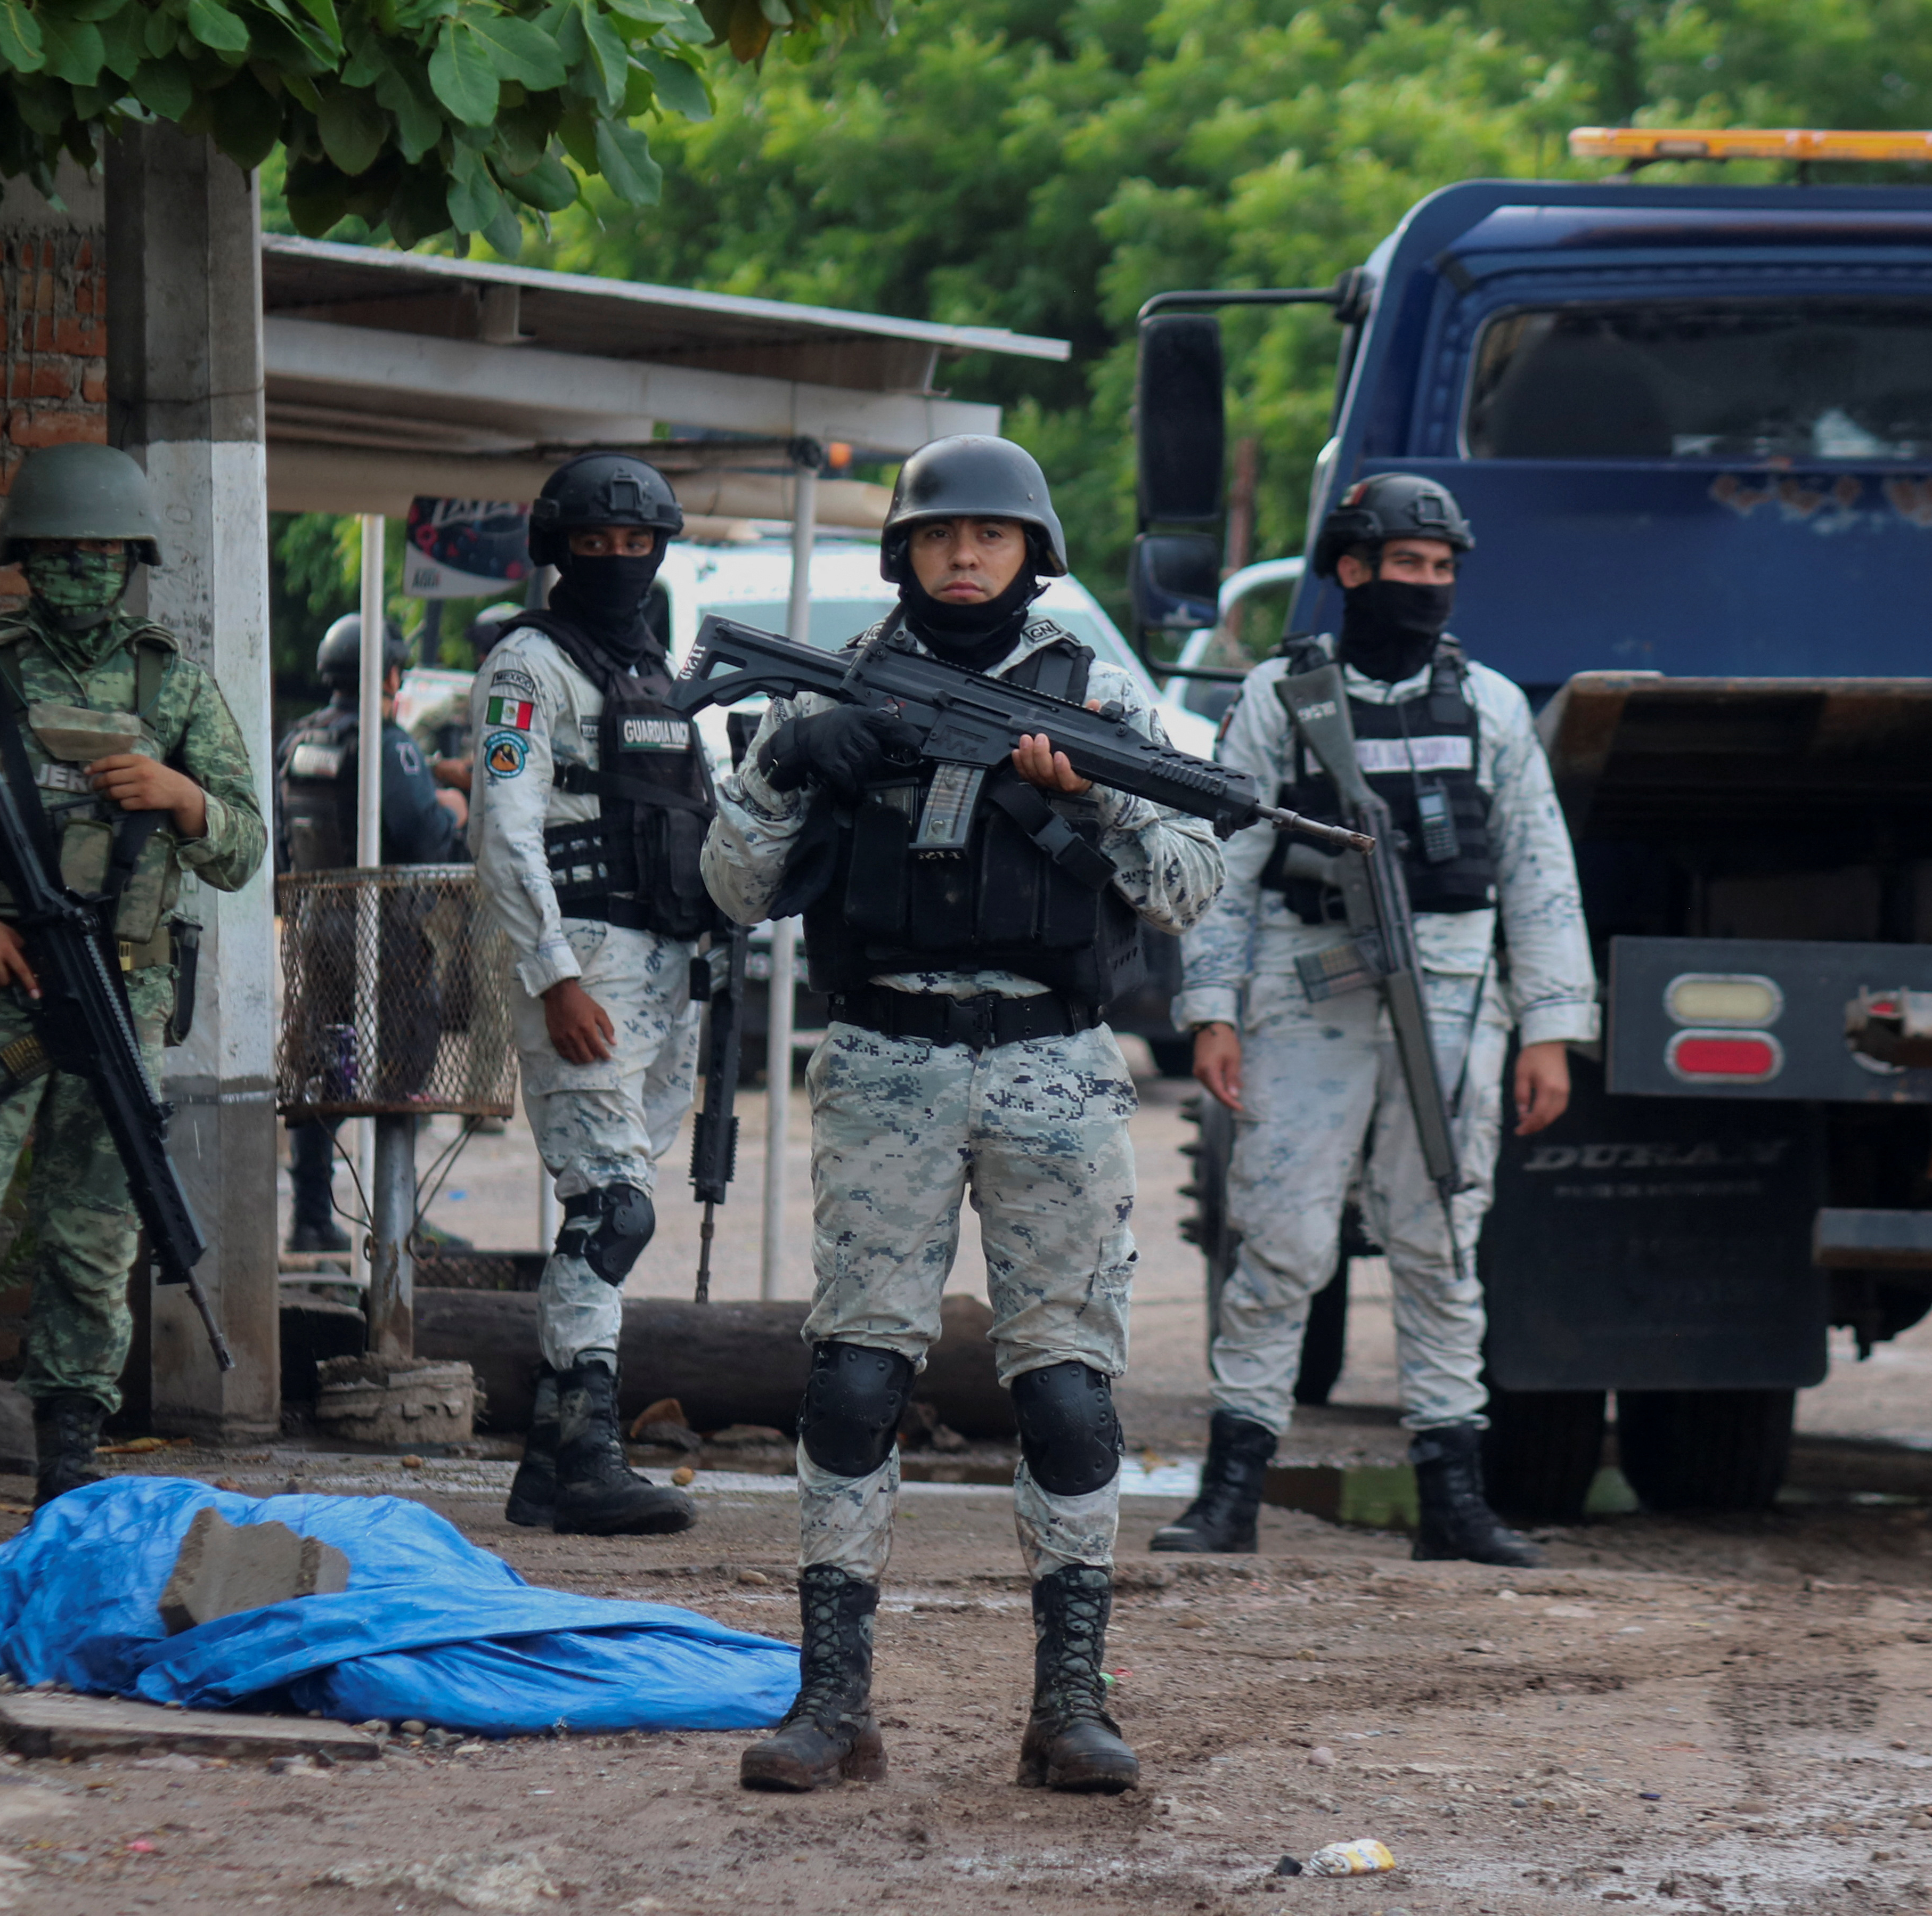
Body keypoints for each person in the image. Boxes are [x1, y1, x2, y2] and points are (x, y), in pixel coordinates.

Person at [701, 435, 1222, 1796]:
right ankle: (832, 1700)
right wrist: (791, 758)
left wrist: (1091, 788)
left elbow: (1186, 880)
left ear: (1031, 553)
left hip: (1052, 1063)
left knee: (1062, 1393)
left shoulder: (1095, 689)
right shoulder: (836, 685)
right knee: (854, 1378)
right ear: (905, 551)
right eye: (941, 536)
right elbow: (733, 886)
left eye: (991, 536)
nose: (966, 555)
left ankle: (1069, 1702)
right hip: (883, 1056)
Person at [1150, 473, 1595, 1568]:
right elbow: (1229, 859)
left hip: (1451, 993)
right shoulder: (1281, 699)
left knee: (1441, 1240)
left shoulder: (1487, 703)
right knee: (1280, 1238)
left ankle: (1453, 1496)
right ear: (1351, 571)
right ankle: (1231, 1489)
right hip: (1310, 992)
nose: (1429, 588)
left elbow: (1540, 875)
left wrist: (1548, 1026)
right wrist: (1211, 1010)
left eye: (1443, 571)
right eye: (1408, 567)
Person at [0, 443, 266, 1547]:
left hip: (117, 997)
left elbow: (243, 846)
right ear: (25, 558)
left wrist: (181, 797)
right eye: (60, 550)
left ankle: (67, 1477)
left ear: (132, 558)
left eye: (101, 550)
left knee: (95, 1237)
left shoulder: (170, 682)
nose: (81, 567)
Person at [476, 455, 714, 1538]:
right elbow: (505, 824)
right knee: (611, 1207)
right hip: (577, 962)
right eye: (596, 545)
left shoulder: (657, 669)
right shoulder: (526, 666)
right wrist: (554, 974)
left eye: (638, 545)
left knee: (617, 1201)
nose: (620, 562)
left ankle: (547, 1464)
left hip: (661, 964)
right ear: (557, 550)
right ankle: (586, 1456)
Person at [276, 612, 470, 1255]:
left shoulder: (299, 738)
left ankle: (311, 1217)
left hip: (313, 933)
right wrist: (453, 810)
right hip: (385, 937)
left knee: (323, 1072)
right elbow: (426, 839)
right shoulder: (388, 742)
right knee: (401, 1070)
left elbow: (282, 841)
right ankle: (397, 1222)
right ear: (388, 672)